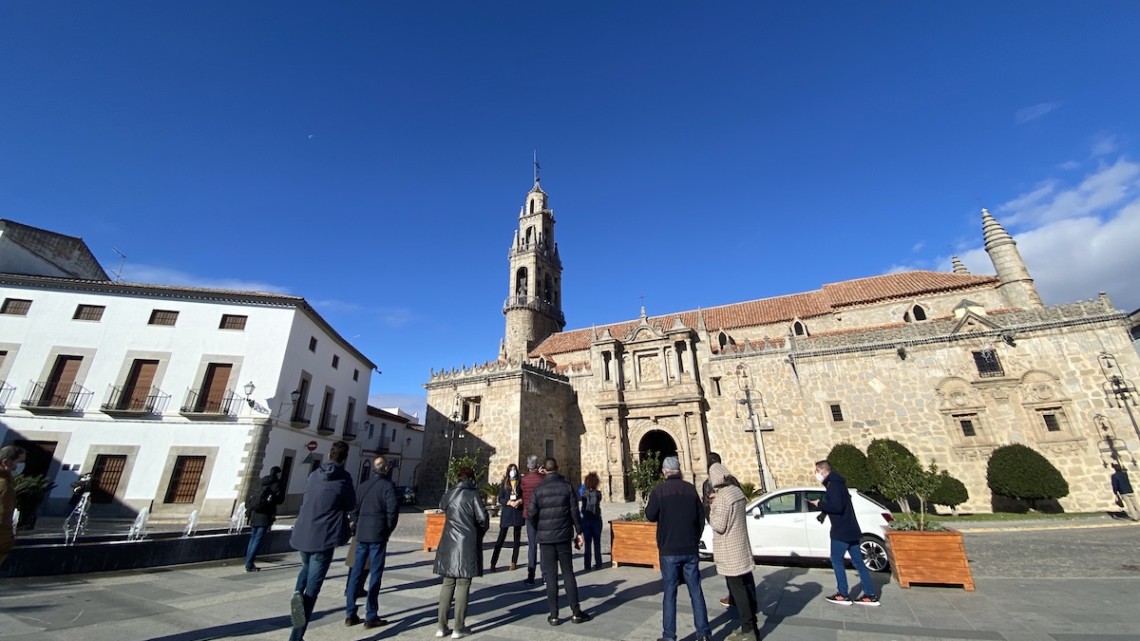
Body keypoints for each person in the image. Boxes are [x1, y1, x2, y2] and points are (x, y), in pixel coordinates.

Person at [288, 441, 357, 641]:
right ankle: (296, 637)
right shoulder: (343, 478)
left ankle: (296, 592)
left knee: (306, 567)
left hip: (303, 533)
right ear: (344, 459)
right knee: (313, 589)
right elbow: (351, 504)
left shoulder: (313, 475)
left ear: (329, 455)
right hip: (324, 536)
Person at [645, 456, 712, 641]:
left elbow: (650, 516)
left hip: (668, 550)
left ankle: (669, 636)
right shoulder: (690, 490)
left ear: (664, 472)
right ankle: (704, 633)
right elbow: (701, 518)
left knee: (669, 593)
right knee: (696, 591)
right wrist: (694, 539)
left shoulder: (659, 491)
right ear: (679, 470)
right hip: (690, 549)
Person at [529, 457, 591, 626]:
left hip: (546, 539)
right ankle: (576, 612)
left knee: (551, 576)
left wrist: (540, 527)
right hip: (564, 536)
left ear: (545, 470)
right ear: (557, 468)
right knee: (568, 573)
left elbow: (531, 514)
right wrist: (579, 532)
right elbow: (574, 512)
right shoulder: (566, 486)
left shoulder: (538, 489)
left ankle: (554, 615)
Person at [808, 460, 880, 606]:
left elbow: (837, 507)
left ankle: (843, 594)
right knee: (859, 563)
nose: (816, 474)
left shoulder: (833, 486)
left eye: (817, 471)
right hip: (851, 529)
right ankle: (869, 594)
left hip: (841, 531)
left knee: (836, 561)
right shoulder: (838, 484)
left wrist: (819, 504)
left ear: (823, 471)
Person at [434, 465, 489, 639]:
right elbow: (483, 519)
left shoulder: (449, 494)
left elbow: (442, 506)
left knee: (447, 583)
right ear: (471, 479)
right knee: (463, 584)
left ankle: (441, 627)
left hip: (449, 544)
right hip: (466, 544)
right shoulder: (473, 495)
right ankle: (458, 627)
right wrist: (477, 532)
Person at [345, 456, 400, 628]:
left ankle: (350, 614)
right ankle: (371, 615)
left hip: (361, 536)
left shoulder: (362, 486)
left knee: (355, 573)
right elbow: (392, 513)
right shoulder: (388, 486)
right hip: (377, 536)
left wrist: (356, 525)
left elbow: (353, 509)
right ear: (385, 469)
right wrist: (387, 530)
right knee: (375, 575)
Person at [707, 462, 759, 641]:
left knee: (738, 591)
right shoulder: (737, 492)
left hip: (730, 550)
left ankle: (748, 631)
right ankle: (753, 626)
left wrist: (712, 508)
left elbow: (719, 525)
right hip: (741, 546)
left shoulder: (722, 497)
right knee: (747, 584)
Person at [701, 452, 739, 608]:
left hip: (723, 532)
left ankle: (740, 607)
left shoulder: (710, 485)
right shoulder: (734, 483)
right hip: (738, 532)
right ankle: (747, 602)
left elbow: (706, 509)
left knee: (732, 572)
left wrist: (711, 521)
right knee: (743, 574)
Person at [245, 465, 284, 572]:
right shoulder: (277, 484)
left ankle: (248, 561)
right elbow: (280, 500)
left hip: (254, 513)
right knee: (257, 539)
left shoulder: (261, 481)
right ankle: (249, 564)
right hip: (265, 515)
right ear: (277, 473)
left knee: (252, 538)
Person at [490, 463, 524, 572]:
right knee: (501, 538)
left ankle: (514, 562)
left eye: (514, 469)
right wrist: (509, 502)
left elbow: (524, 495)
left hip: (517, 512)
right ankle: (493, 562)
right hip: (507, 512)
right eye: (511, 469)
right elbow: (501, 498)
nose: (513, 471)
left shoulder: (520, 482)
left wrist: (520, 501)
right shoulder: (504, 483)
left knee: (516, 540)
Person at [0, 445, 27, 569]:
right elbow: (3, 517)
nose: (20, 465)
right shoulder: (4, 485)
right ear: (6, 462)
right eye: (19, 461)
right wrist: (7, 543)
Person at [519, 454, 545, 585]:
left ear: (528, 465)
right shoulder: (542, 479)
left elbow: (522, 492)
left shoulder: (524, 480)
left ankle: (531, 575)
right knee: (544, 545)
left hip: (529, 514)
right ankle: (545, 575)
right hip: (542, 515)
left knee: (532, 545)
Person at [579, 471, 603, 571]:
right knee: (597, 543)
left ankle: (587, 564)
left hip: (586, 519)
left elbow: (581, 496)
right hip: (596, 519)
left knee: (587, 543)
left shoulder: (584, 494)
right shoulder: (598, 494)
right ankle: (598, 563)